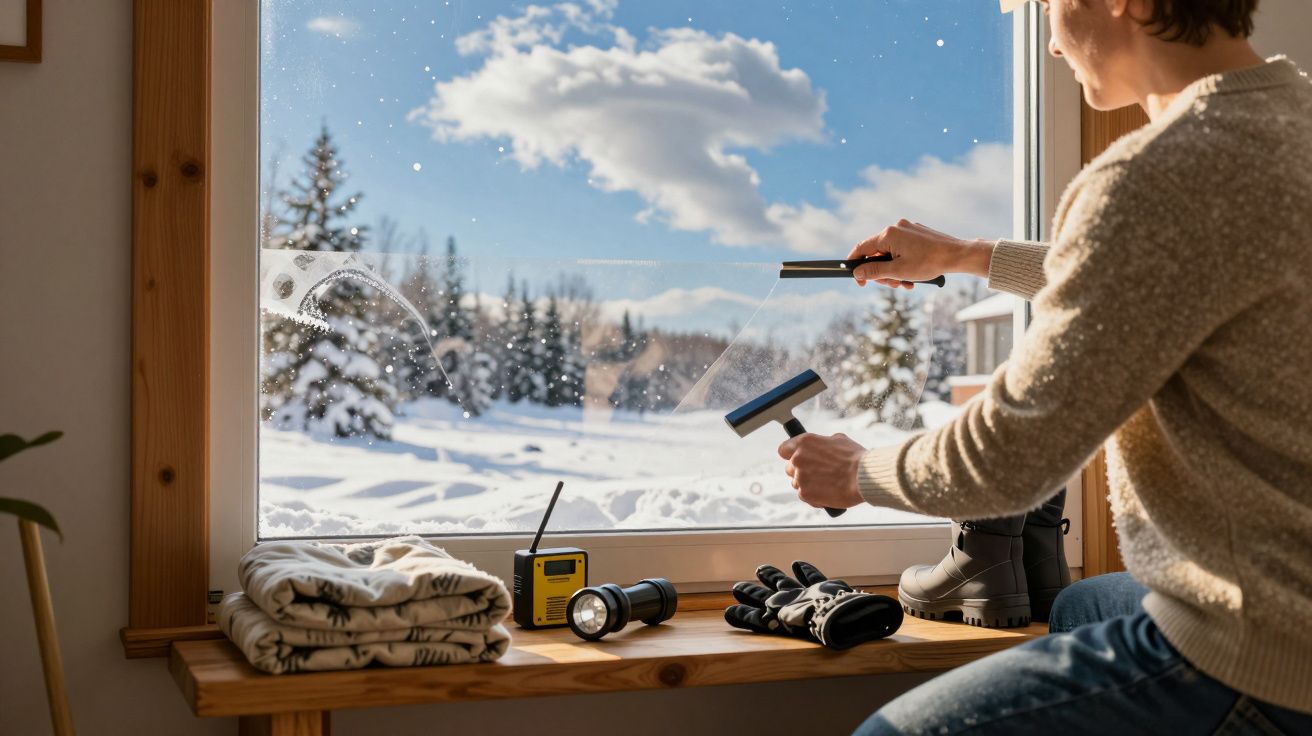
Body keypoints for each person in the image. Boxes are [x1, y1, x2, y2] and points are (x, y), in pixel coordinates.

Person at [777, 0, 1312, 732]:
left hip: (1275, 649)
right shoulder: (1287, 124)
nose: (1053, 46)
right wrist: (965, 256)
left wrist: (856, 472)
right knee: (1077, 605)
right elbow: (1165, 268)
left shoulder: (1162, 174)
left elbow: (1012, 458)